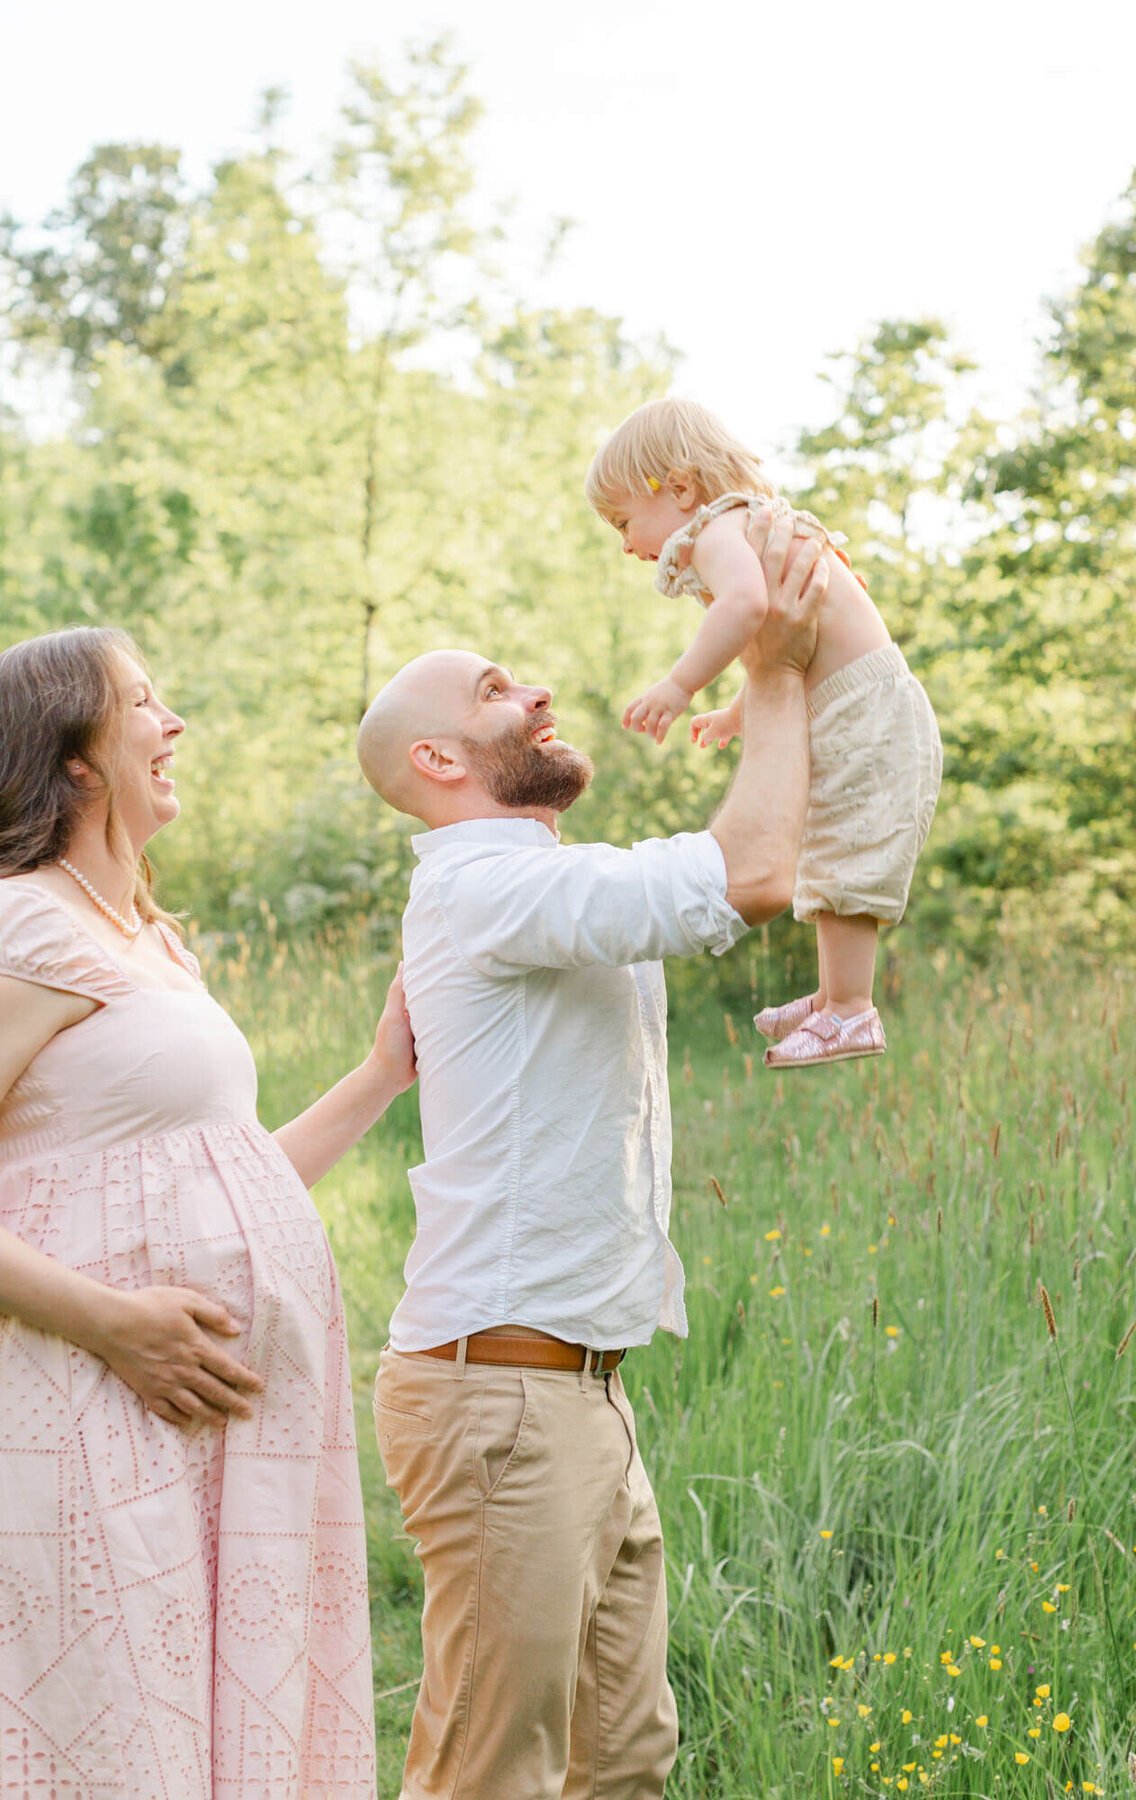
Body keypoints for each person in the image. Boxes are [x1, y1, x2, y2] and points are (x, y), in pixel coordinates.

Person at [356, 512, 825, 1800]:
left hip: (582, 1392)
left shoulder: (538, 882)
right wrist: (772, 666)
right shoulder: (483, 889)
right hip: (500, 1397)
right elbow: (755, 872)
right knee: (492, 1772)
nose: (539, 687)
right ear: (443, 757)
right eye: (498, 687)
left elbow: (752, 859)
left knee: (622, 1762)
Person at [0, 626, 416, 1798]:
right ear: (75, 759)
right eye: (142, 702)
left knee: (212, 1732)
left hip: (217, 1427)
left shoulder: (147, 942)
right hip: (88, 1396)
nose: (172, 723)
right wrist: (113, 1325)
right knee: (122, 1733)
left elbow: (225, 1173)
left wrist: (378, 1076)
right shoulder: (25, 922)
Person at [585, 395, 943, 1069]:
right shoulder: (747, 527)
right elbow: (785, 641)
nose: (627, 544)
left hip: (865, 707)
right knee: (826, 842)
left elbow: (750, 607)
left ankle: (850, 1011)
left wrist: (680, 684)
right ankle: (836, 995)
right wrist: (739, 711)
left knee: (847, 848)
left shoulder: (720, 531)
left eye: (625, 520)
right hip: (853, 700)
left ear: (681, 488)